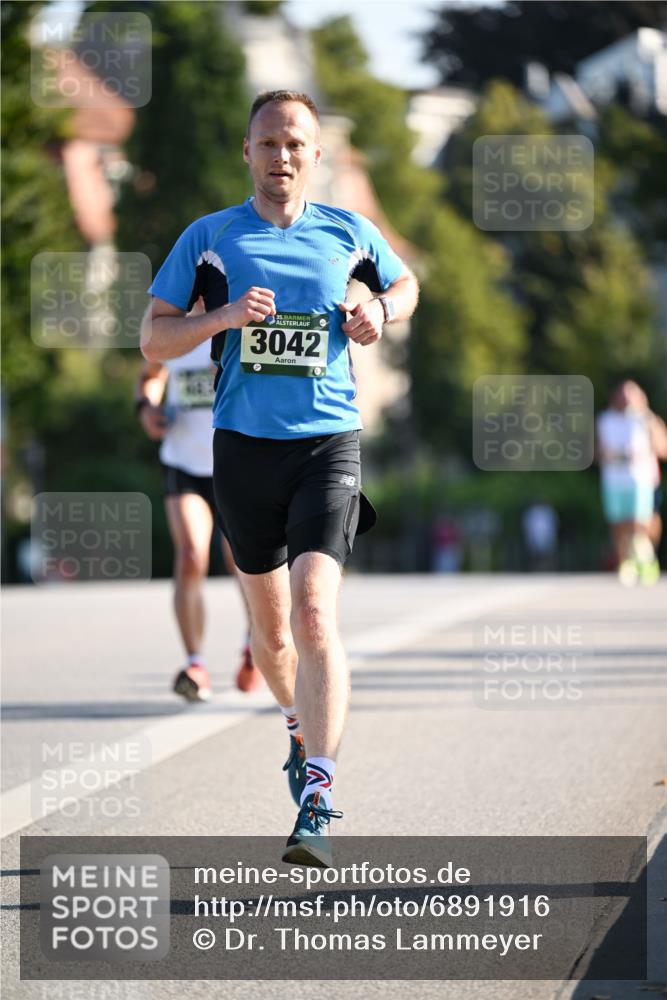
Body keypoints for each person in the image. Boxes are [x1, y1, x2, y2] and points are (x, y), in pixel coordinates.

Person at [140, 90, 419, 866]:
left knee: (313, 614)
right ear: (248, 152)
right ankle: (298, 731)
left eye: (295, 144)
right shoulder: (209, 239)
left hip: (327, 444)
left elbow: (406, 285)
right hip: (241, 450)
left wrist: (378, 311)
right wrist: (221, 320)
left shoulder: (348, 232)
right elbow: (154, 339)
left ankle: (320, 796)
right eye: (268, 143)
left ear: (315, 155)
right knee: (269, 636)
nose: (282, 157)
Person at [135, 297, 263, 701]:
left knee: (242, 562)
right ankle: (196, 664)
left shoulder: (240, 326)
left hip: (236, 464)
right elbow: (149, 374)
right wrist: (147, 407)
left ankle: (254, 644)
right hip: (183, 463)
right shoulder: (175, 332)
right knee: (191, 556)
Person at [596, 380, 662, 586]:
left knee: (640, 521)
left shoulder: (647, 419)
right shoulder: (605, 420)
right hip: (613, 480)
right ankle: (627, 562)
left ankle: (645, 556)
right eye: (623, 394)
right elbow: (595, 452)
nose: (626, 399)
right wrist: (605, 455)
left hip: (640, 479)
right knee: (619, 524)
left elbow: (663, 447)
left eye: (631, 394)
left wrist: (647, 444)